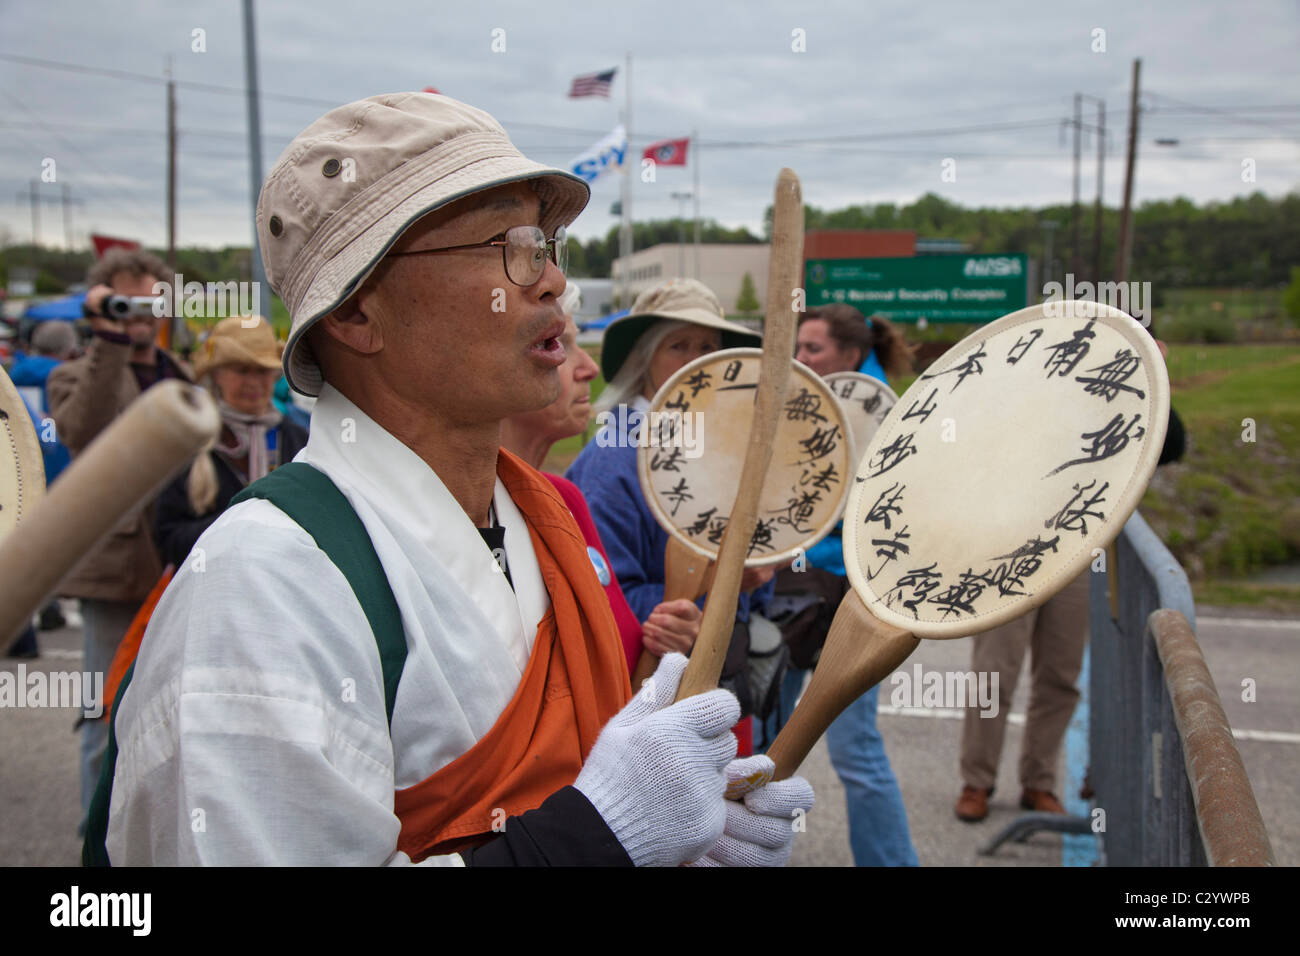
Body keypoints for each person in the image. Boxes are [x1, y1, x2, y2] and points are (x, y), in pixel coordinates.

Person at [96, 92, 811, 866]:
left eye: (546, 245)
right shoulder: (264, 583)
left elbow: (584, 782)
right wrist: (598, 837)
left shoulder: (547, 523)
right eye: (506, 246)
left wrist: (679, 841)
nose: (551, 284)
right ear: (357, 312)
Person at [566, 278, 777, 752]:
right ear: (645, 360)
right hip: (651, 698)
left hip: (719, 678)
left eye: (708, 347)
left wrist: (756, 579)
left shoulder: (718, 450)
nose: (697, 360)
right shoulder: (615, 457)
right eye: (678, 345)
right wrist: (717, 590)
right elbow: (605, 596)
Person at [759, 303, 919, 866]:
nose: (800, 358)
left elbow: (861, 519)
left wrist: (785, 553)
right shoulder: (827, 403)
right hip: (818, 595)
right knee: (781, 741)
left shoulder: (871, 415)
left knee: (787, 745)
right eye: (798, 347)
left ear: (851, 355)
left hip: (844, 598)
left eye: (813, 349)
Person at [45, 246, 191, 832]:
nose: (140, 315)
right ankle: (95, 843)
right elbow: (80, 429)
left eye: (151, 301)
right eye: (125, 301)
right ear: (101, 302)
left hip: (176, 563)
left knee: (165, 713)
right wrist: (106, 340)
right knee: (103, 715)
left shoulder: (177, 373)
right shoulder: (73, 372)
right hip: (114, 568)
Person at [499, 282, 702, 671]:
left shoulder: (564, 498)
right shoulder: (610, 463)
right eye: (553, 343)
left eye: (709, 349)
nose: (589, 368)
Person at [154, 315, 308, 568]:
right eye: (241, 370)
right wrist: (242, 520)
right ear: (216, 375)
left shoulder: (297, 440)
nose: (253, 382)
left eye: (262, 371)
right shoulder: (189, 444)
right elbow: (170, 539)